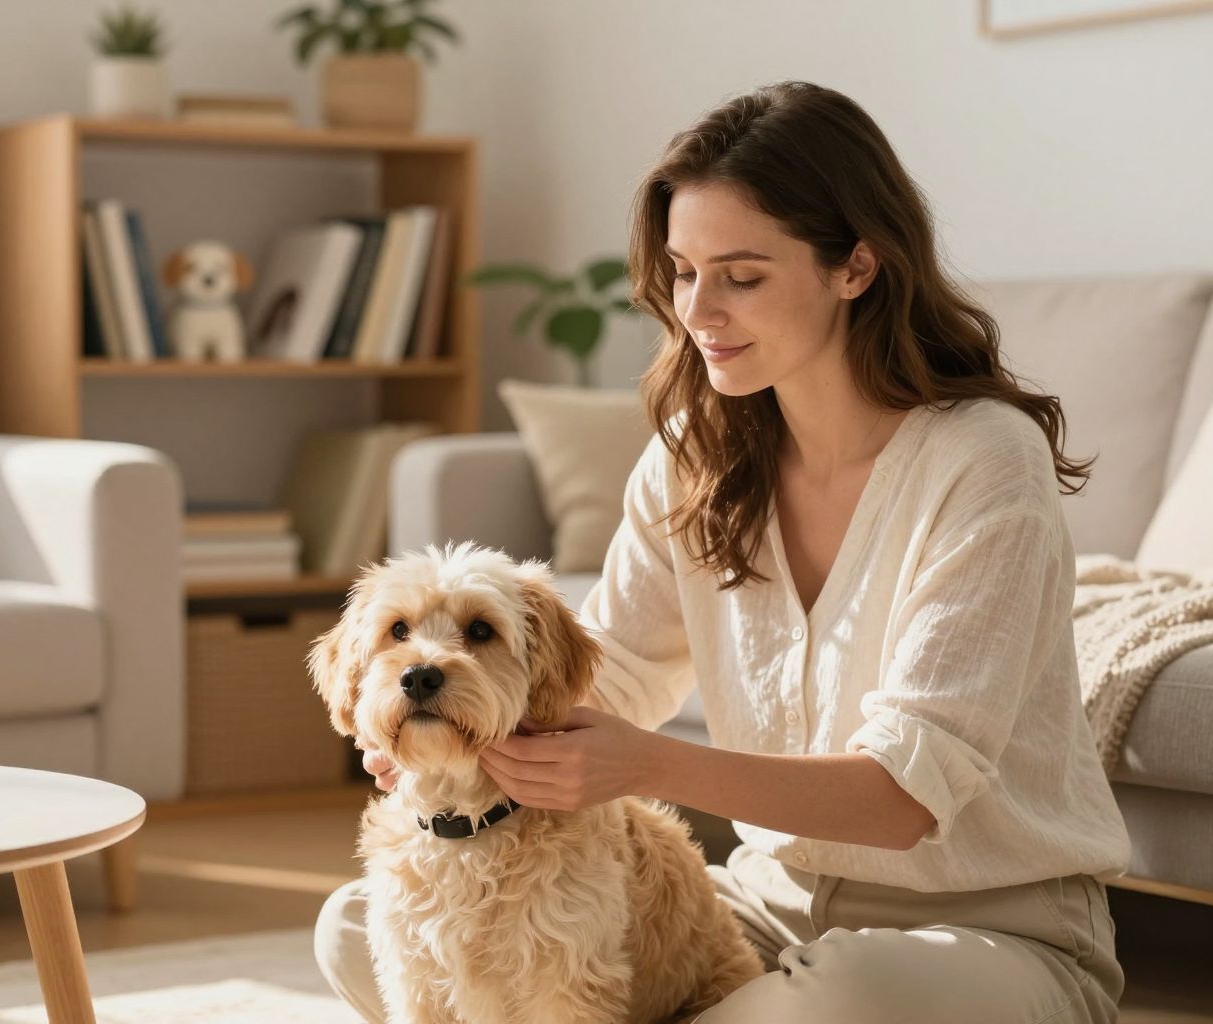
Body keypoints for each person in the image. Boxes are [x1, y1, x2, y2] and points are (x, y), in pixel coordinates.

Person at [314, 79, 1130, 1023]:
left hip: (982, 933)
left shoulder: (980, 459)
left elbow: (905, 797)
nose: (699, 310)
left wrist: (643, 766)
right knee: (359, 925)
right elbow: (601, 677)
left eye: (742, 276)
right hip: (768, 917)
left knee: (845, 998)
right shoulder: (693, 460)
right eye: (682, 270)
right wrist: (458, 730)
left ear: (855, 266)